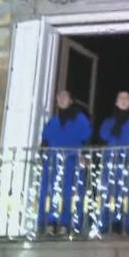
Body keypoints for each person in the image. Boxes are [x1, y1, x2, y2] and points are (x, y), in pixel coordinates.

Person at [37, 90, 92, 235]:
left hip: (71, 160)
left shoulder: (80, 119)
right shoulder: (52, 121)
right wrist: (42, 156)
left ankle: (66, 224)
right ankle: (50, 223)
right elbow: (45, 141)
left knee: (69, 192)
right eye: (59, 96)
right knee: (50, 191)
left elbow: (86, 139)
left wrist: (84, 156)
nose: (61, 99)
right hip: (53, 161)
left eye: (65, 96)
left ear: (70, 100)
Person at [97, 91, 129, 235]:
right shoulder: (108, 123)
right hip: (111, 162)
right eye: (121, 98)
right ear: (116, 103)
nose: (124, 100)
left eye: (127, 98)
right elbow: (103, 138)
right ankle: (108, 222)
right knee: (109, 193)